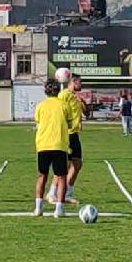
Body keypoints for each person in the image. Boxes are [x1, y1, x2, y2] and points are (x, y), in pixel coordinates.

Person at [34, 78, 73, 217]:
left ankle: (38, 208)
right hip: (59, 145)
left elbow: (38, 123)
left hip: (43, 145)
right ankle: (59, 209)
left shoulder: (40, 106)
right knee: (61, 177)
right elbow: (70, 124)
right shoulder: (65, 105)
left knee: (42, 176)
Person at [49, 74, 84, 205]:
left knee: (77, 164)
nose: (81, 84)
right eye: (80, 82)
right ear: (73, 82)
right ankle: (52, 193)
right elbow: (58, 109)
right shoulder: (64, 94)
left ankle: (67, 194)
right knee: (64, 165)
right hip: (67, 134)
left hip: (74, 133)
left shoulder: (74, 96)